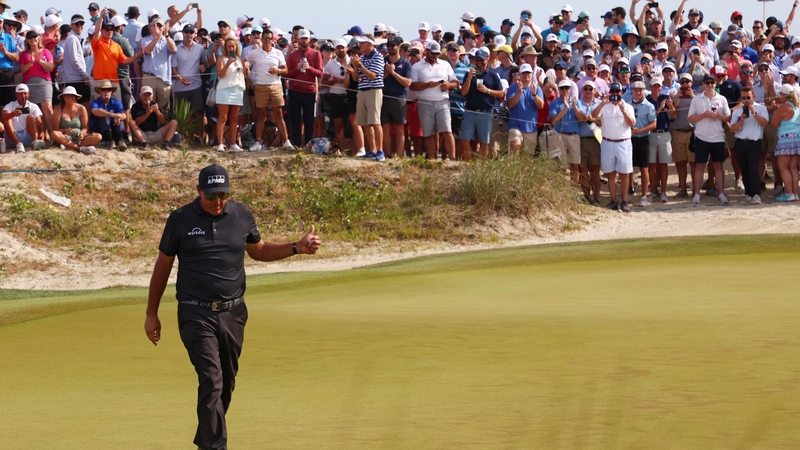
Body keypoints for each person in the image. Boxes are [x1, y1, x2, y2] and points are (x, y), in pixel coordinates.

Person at [144, 164, 321, 450]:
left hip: (234, 313)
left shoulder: (241, 215)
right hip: (195, 312)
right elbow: (163, 266)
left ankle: (206, 442)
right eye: (211, 195)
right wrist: (151, 313)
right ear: (198, 190)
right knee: (211, 379)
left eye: (223, 195)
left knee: (226, 383)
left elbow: (259, 250)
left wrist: (295, 247)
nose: (217, 202)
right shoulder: (180, 220)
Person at [591, 81, 636, 212]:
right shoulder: (605, 106)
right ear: (610, 93)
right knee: (610, 174)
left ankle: (624, 201)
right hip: (607, 142)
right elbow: (593, 116)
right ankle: (613, 200)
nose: (615, 95)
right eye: (613, 92)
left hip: (624, 142)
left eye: (617, 92)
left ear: (621, 93)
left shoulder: (628, 107)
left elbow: (631, 123)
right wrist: (602, 103)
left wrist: (623, 111)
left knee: (624, 174)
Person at [688, 74, 732, 205]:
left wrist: (718, 116)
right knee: (700, 165)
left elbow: (728, 117)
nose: (710, 85)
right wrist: (703, 115)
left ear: (715, 83)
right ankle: (696, 194)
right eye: (707, 82)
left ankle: (721, 193)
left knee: (718, 165)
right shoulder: (696, 99)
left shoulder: (722, 99)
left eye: (712, 82)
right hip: (701, 136)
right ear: (703, 84)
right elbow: (690, 119)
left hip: (718, 137)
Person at [409, 41, 458, 160]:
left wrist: (448, 85)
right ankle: (432, 159)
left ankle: (452, 159)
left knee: (447, 130)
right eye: (433, 53)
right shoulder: (417, 66)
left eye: (437, 53)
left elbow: (455, 83)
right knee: (428, 133)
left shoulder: (445, 65)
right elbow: (412, 86)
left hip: (443, 102)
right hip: (424, 102)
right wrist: (427, 85)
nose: (435, 56)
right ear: (426, 52)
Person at [246, 28, 290, 150]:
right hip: (260, 86)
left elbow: (286, 70)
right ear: (262, 39)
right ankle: (257, 142)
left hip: (275, 85)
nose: (267, 41)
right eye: (265, 38)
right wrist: (247, 77)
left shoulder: (278, 53)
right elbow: (246, 63)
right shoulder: (255, 53)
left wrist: (278, 71)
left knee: (279, 114)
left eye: (269, 38)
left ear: (272, 40)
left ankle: (286, 141)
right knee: (261, 115)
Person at [459, 48, 503, 160]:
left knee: (484, 142)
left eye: (481, 60)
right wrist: (469, 78)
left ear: (487, 59)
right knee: (465, 140)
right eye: (476, 60)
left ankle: (482, 167)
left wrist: (487, 90)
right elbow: (463, 92)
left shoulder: (493, 75)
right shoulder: (469, 74)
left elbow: (501, 94)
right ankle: (468, 165)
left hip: (485, 112)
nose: (478, 62)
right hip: (470, 111)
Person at [730, 86, 769, 204]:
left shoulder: (761, 108)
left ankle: (756, 194)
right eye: (743, 98)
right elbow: (733, 129)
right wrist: (741, 120)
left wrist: (754, 113)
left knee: (753, 168)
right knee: (744, 169)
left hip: (754, 143)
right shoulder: (738, 111)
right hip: (741, 142)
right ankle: (748, 194)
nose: (746, 100)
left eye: (748, 97)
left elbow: (765, 123)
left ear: (753, 96)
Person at [285, 28, 323, 146]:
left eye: (305, 39)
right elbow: (287, 74)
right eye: (302, 38)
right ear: (298, 39)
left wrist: (309, 68)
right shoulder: (292, 56)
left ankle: (308, 145)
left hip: (309, 91)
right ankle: (297, 144)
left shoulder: (316, 54)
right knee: (295, 120)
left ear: (309, 39)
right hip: (294, 91)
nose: (303, 41)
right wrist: (297, 68)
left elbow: (320, 73)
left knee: (309, 120)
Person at [352, 35, 385, 161]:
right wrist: (355, 66)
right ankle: (372, 150)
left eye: (362, 43)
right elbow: (355, 78)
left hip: (374, 91)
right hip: (362, 91)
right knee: (365, 123)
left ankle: (380, 150)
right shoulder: (362, 58)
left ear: (370, 44)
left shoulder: (378, 57)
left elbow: (372, 76)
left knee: (375, 122)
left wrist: (359, 65)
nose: (359, 46)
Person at [171, 23, 207, 138]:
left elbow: (204, 62)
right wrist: (180, 79)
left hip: (196, 85)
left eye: (191, 32)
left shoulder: (200, 48)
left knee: (198, 113)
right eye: (186, 32)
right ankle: (184, 138)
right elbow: (173, 69)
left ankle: (199, 138)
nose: (189, 34)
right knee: (182, 115)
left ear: (194, 34)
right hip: (180, 87)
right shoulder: (176, 49)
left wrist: (204, 66)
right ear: (183, 33)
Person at [19, 30, 55, 140]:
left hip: (44, 82)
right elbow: (22, 71)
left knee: (47, 108)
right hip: (29, 83)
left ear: (38, 38)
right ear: (27, 41)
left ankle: (54, 135)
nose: (32, 39)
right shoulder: (24, 54)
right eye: (30, 38)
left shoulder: (45, 51)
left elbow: (51, 67)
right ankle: (39, 136)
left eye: (34, 37)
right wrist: (31, 63)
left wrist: (40, 61)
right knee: (34, 110)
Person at [214, 37, 248, 152]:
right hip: (224, 90)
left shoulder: (240, 59)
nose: (231, 48)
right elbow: (221, 75)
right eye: (229, 46)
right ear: (226, 48)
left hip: (237, 89)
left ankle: (233, 143)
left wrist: (246, 67)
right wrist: (228, 64)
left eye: (233, 46)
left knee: (234, 118)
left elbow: (246, 75)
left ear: (236, 47)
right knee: (223, 118)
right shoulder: (221, 58)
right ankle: (220, 144)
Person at [646, 76, 676, 202]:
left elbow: (673, 116)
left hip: (664, 133)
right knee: (651, 165)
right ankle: (653, 191)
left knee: (663, 164)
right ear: (651, 87)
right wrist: (660, 108)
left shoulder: (665, 98)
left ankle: (663, 192)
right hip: (651, 133)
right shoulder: (646, 100)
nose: (657, 88)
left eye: (658, 86)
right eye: (654, 86)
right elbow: (650, 118)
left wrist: (671, 107)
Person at [382, 36, 412, 158]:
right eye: (388, 45)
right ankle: (388, 154)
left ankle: (399, 155)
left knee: (400, 129)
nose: (390, 47)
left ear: (399, 46)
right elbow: (377, 79)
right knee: (385, 128)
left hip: (399, 99)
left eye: (392, 45)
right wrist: (387, 72)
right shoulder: (382, 61)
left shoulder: (406, 64)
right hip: (384, 97)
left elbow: (408, 83)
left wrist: (393, 73)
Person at [573, 80, 603, 204]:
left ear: (594, 91)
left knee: (595, 171)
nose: (588, 91)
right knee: (583, 171)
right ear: (582, 91)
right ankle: (586, 197)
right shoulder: (578, 103)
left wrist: (593, 119)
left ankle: (596, 198)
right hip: (581, 140)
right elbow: (576, 121)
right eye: (586, 89)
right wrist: (583, 117)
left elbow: (604, 123)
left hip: (596, 140)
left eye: (591, 89)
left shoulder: (601, 104)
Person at [628, 80, 657, 206]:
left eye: (640, 89)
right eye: (635, 89)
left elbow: (653, 124)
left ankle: (644, 196)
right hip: (629, 139)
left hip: (643, 139)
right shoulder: (627, 105)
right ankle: (629, 191)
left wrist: (639, 131)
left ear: (644, 90)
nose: (638, 92)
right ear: (632, 91)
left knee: (644, 168)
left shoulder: (649, 106)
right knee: (628, 167)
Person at [549, 79, 582, 184]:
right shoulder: (554, 103)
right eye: (562, 88)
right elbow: (553, 120)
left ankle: (574, 190)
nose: (564, 90)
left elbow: (581, 119)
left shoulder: (577, 102)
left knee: (574, 165)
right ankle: (561, 191)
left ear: (570, 89)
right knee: (560, 166)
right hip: (559, 136)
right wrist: (565, 109)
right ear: (559, 89)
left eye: (567, 88)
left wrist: (574, 106)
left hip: (573, 136)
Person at [50, 86, 101, 154]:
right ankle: (79, 148)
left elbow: (85, 128)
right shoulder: (58, 109)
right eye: (67, 95)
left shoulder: (81, 108)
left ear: (76, 97)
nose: (70, 97)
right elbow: (56, 129)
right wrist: (65, 131)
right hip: (64, 136)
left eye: (72, 96)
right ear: (63, 97)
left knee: (98, 136)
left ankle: (68, 146)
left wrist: (82, 133)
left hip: (79, 137)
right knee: (54, 134)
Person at [771, 84, 800, 201]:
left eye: (780, 94)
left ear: (784, 95)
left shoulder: (784, 107)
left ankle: (789, 193)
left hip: (786, 138)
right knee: (793, 167)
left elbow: (774, 124)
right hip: (797, 138)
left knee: (783, 167)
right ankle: (794, 193)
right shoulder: (797, 106)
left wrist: (775, 110)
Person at [506, 63, 544, 154]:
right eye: (524, 73)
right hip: (515, 126)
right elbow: (510, 105)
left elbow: (541, 106)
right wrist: (519, 93)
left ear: (531, 74)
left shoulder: (537, 89)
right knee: (516, 145)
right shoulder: (513, 88)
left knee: (528, 158)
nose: (526, 75)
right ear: (519, 74)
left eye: (528, 73)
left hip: (531, 128)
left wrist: (534, 94)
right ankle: (513, 167)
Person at [140, 17, 177, 110]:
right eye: (155, 26)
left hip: (164, 79)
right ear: (150, 28)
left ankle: (162, 124)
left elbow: (173, 49)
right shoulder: (145, 40)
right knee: (147, 105)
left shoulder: (167, 40)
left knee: (164, 108)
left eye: (160, 26)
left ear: (163, 28)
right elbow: (147, 51)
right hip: (149, 76)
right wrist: (156, 38)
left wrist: (166, 35)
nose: (157, 28)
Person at [671, 72, 695, 197]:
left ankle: (695, 190)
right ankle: (683, 188)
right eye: (682, 82)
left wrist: (693, 97)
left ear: (692, 83)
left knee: (694, 164)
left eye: (687, 82)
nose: (685, 84)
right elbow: (672, 113)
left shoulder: (697, 97)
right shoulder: (676, 96)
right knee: (680, 163)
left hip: (692, 132)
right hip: (678, 131)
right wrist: (677, 98)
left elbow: (701, 109)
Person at [2, 84, 45, 153]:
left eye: (25, 93)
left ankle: (35, 142)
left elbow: (39, 121)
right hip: (13, 137)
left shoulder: (33, 106)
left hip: (27, 135)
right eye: (20, 94)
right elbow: (3, 116)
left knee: (30, 117)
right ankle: (18, 144)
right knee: (7, 120)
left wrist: (42, 132)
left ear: (29, 94)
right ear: (16, 95)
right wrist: (13, 114)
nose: (23, 96)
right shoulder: (11, 105)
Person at [89, 80, 127, 150]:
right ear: (99, 92)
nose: (106, 92)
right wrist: (113, 115)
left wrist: (119, 117)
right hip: (99, 130)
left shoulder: (116, 102)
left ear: (111, 91)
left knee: (119, 118)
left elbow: (124, 115)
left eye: (108, 89)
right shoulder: (95, 102)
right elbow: (95, 111)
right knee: (103, 116)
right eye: (103, 89)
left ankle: (121, 141)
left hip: (113, 129)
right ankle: (111, 141)